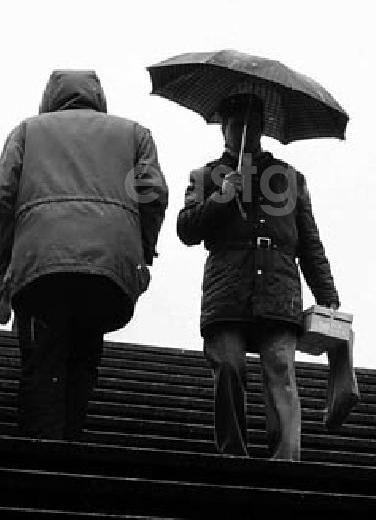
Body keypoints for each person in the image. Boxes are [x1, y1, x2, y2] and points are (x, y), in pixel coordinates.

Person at [0, 69, 168, 440]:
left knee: (43, 361)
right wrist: (143, 250)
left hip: (40, 265)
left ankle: (41, 458)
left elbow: (3, 196)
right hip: (107, 270)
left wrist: (3, 266)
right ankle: (71, 444)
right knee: (83, 356)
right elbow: (153, 194)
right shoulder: (134, 134)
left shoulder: (28, 131)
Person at [177, 91, 339, 461]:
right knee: (229, 367)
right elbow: (186, 230)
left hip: (279, 288)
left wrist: (327, 295)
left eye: (248, 124)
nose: (241, 132)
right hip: (226, 289)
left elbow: (309, 242)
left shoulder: (289, 178)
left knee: (280, 369)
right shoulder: (205, 176)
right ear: (224, 129)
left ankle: (286, 459)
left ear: (261, 128)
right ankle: (233, 454)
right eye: (234, 124)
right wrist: (222, 195)